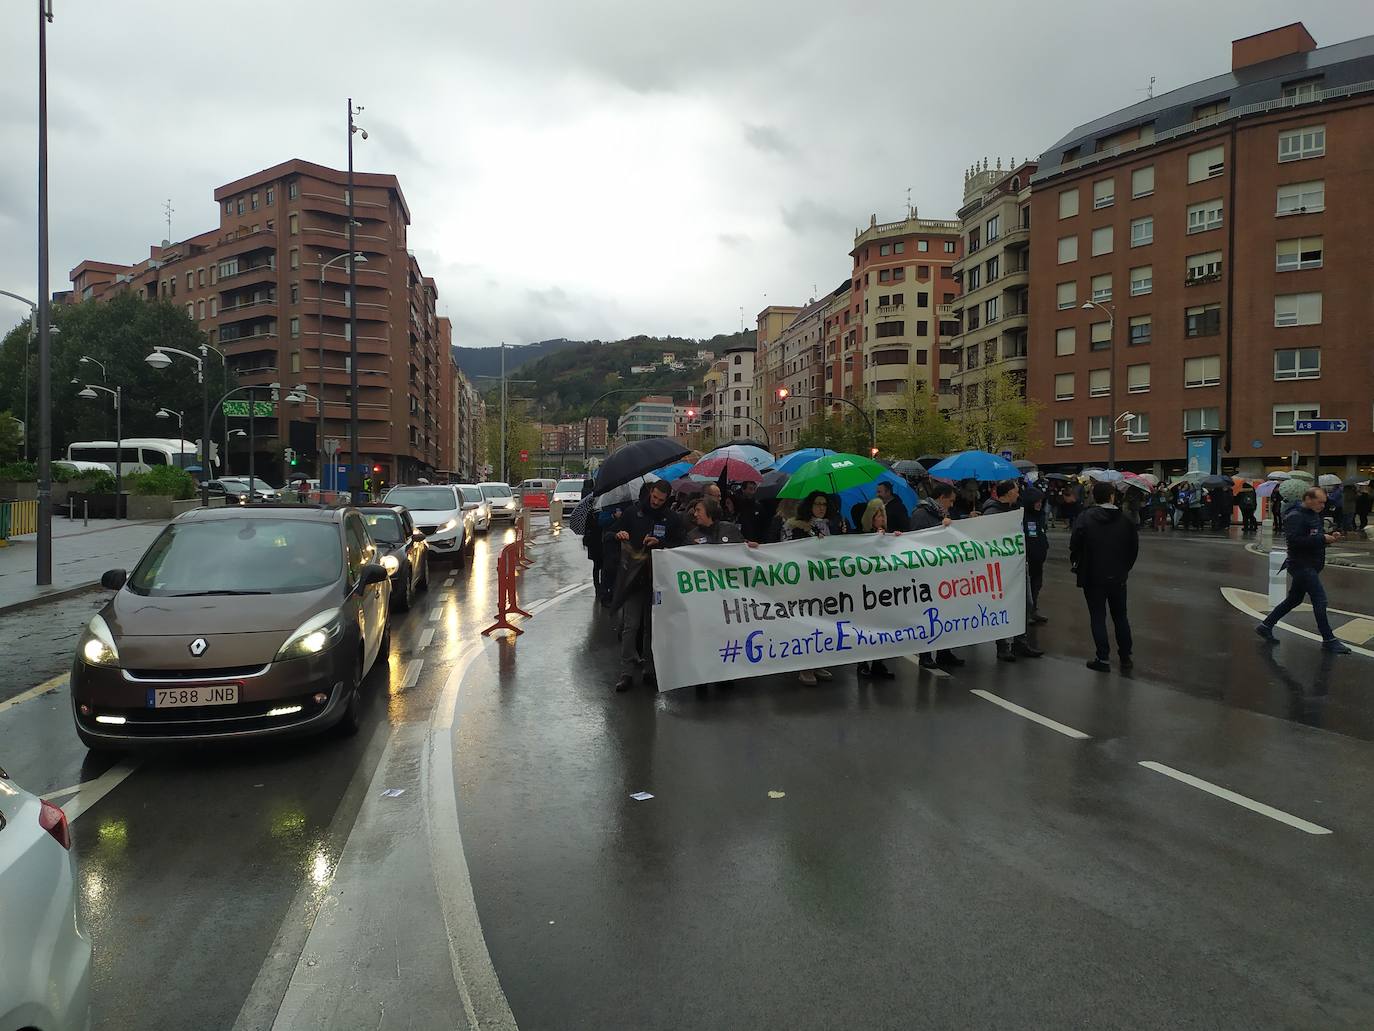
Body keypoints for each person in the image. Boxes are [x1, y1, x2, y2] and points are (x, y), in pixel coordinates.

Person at [1256, 487, 1352, 654]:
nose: (1323, 505)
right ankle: (1329, 639)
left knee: (1294, 599)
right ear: (1308, 498)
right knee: (1319, 600)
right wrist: (1322, 538)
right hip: (1301, 564)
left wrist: (1329, 537)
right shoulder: (1295, 516)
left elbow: (1313, 536)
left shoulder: (1313, 514)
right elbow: (1294, 542)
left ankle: (1266, 625)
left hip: (1311, 564)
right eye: (1320, 502)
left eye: (1324, 502)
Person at [611, 481, 684, 692]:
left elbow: (680, 545)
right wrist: (619, 535)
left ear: (666, 499)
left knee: (652, 628)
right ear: (650, 493)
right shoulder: (633, 513)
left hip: (658, 580)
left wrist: (661, 544)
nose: (656, 502)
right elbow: (610, 534)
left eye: (661, 500)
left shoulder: (671, 518)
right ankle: (626, 672)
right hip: (634, 578)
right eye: (654, 498)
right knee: (630, 626)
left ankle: (650, 669)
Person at [1070, 481, 1139, 672]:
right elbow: (1133, 548)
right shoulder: (1125, 519)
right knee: (1120, 616)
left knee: (1098, 616)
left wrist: (1078, 561)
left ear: (1094, 496)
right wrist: (1125, 568)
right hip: (1118, 575)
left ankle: (1103, 658)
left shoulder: (1085, 518)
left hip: (1092, 575)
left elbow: (1075, 543)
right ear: (1112, 496)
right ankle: (1125, 656)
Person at [779, 491, 838, 686]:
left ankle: (818, 661)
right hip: (804, 585)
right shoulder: (794, 526)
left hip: (825, 585)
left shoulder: (830, 526)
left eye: (824, 504)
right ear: (809, 506)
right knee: (806, 625)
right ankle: (805, 667)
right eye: (817, 504)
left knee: (823, 624)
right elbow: (787, 551)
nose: (821, 507)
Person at [981, 479, 1043, 661]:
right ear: (1008, 492)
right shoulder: (993, 512)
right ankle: (1002, 646)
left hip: (1017, 566)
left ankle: (1020, 642)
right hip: (1001, 569)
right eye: (1016, 491)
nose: (1018, 494)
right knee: (1003, 605)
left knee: (1026, 604)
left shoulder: (1013, 511)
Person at [909, 482, 966, 670]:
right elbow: (917, 541)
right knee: (928, 616)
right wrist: (941, 529)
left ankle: (944, 652)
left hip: (944, 573)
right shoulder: (921, 514)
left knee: (946, 613)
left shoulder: (942, 514)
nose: (951, 505)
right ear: (941, 498)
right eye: (950, 501)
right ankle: (925, 654)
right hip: (927, 574)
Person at [856, 499, 897, 679]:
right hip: (866, 589)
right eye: (877, 515)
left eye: (882, 515)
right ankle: (863, 663)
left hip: (883, 588)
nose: (880, 518)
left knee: (883, 625)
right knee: (866, 627)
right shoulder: (861, 536)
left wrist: (893, 539)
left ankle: (879, 663)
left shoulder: (885, 534)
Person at [1022, 485, 1050, 625]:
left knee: (1037, 585)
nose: (1039, 504)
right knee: (1027, 589)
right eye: (1036, 501)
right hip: (1028, 559)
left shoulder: (1040, 516)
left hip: (1039, 558)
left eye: (1041, 501)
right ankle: (1027, 614)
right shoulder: (1023, 516)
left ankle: (1033, 610)